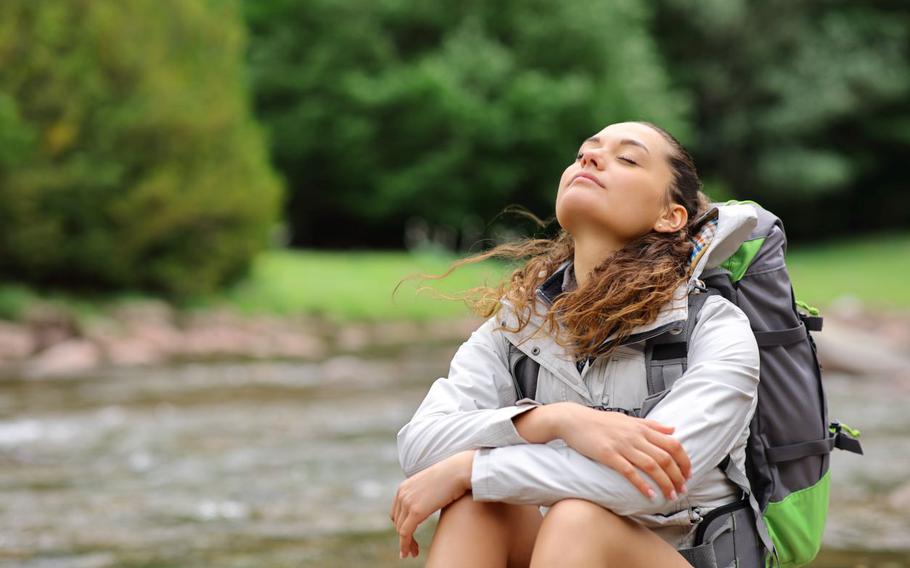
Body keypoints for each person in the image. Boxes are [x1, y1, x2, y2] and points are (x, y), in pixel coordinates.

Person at [389, 121, 763, 567]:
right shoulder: (520, 325)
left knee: (574, 518)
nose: (589, 159)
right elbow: (418, 447)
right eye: (585, 152)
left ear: (670, 216)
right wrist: (551, 420)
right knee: (480, 505)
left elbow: (649, 482)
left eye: (626, 158)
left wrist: (470, 469)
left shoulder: (715, 328)